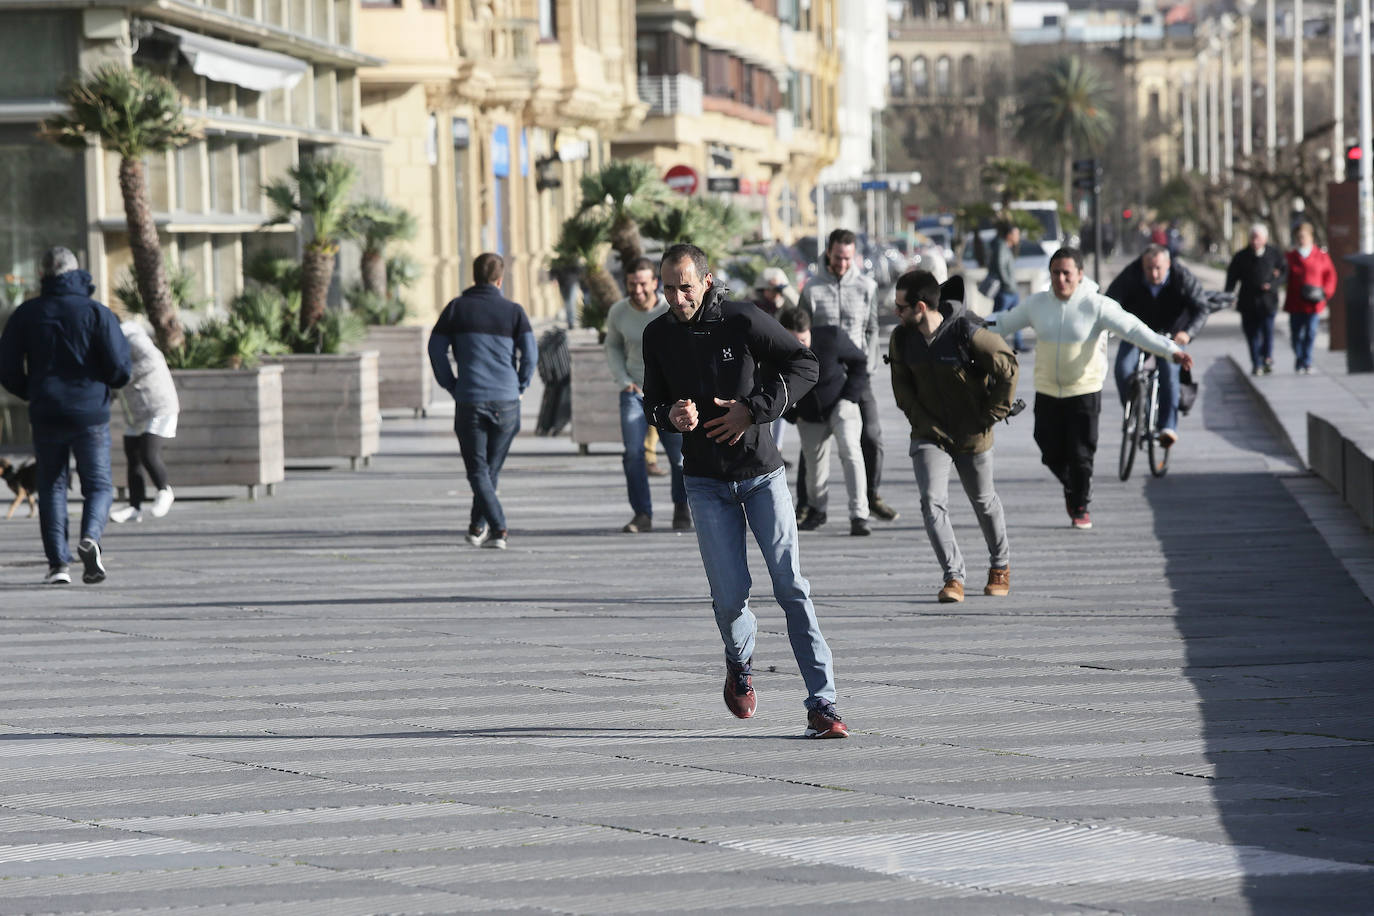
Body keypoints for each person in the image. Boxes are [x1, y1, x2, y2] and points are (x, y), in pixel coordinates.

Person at [642, 243, 847, 739]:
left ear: (706, 281)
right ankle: (739, 663)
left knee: (791, 586)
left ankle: (823, 703)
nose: (676, 298)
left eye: (685, 287)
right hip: (704, 483)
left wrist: (752, 410)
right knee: (730, 597)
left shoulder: (742, 319)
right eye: (668, 289)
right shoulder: (657, 334)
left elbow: (804, 364)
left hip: (761, 475)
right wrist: (670, 415)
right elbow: (652, 402)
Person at [987, 247, 1193, 530]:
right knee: (1048, 449)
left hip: (1084, 390)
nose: (1061, 279)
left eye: (1067, 273)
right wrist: (963, 323)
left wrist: (1171, 351)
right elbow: (1003, 322)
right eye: (1055, 273)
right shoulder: (1037, 304)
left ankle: (1080, 505)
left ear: (1080, 274)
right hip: (1047, 389)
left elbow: (1135, 330)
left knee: (1081, 454)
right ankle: (1074, 485)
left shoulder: (1096, 305)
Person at [0, 247, 131, 585]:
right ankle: (90, 538)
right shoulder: (96, 312)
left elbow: (7, 367)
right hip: (90, 412)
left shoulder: (26, 313)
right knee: (98, 485)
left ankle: (58, 564)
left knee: (51, 486)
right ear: (77, 272)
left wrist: (32, 391)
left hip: (47, 411)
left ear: (42, 275)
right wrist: (104, 386)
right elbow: (120, 367)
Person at [890, 272, 1018, 603]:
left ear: (920, 307)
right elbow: (902, 386)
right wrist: (918, 419)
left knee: (983, 501)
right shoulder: (902, 338)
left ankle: (1000, 566)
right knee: (931, 501)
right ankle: (953, 576)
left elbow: (1008, 366)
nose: (895, 312)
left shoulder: (966, 331)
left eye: (900, 306)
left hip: (972, 432)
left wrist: (991, 414)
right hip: (929, 433)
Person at [428, 252, 536, 550]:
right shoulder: (514, 311)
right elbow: (530, 354)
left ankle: (498, 528)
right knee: (489, 471)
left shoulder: (455, 309)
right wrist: (521, 385)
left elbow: (435, 350)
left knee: (478, 471)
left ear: (473, 277)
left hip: (471, 400)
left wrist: (452, 385)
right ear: (500, 280)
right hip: (507, 402)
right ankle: (477, 527)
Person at [798, 228, 898, 521]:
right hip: (822, 377)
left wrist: (868, 367)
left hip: (856, 373)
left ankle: (871, 496)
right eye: (838, 257)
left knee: (872, 435)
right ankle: (807, 504)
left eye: (848, 258)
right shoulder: (812, 289)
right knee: (812, 442)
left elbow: (872, 328)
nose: (843, 263)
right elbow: (801, 329)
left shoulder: (867, 286)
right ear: (829, 253)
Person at [604, 257, 688, 533]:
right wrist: (623, 380)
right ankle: (642, 513)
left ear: (655, 283)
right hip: (635, 392)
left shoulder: (671, 309)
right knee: (633, 453)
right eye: (632, 284)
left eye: (642, 284)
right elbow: (612, 346)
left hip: (669, 394)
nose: (637, 290)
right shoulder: (619, 312)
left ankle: (681, 507)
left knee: (680, 456)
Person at [776, 306, 870, 537]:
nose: (800, 345)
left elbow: (860, 362)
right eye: (793, 340)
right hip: (808, 415)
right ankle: (817, 510)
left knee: (850, 450)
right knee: (814, 466)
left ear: (810, 331)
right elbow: (768, 385)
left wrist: (850, 397)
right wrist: (792, 415)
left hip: (840, 404)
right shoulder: (776, 350)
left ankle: (859, 514)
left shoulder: (831, 336)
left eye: (803, 339)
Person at [1105, 244, 1209, 448]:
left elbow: (1201, 307)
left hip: (1171, 335)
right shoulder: (1131, 274)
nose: (1153, 274)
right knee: (1122, 370)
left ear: (1168, 264)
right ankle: (1136, 415)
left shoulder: (1181, 276)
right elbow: (1111, 303)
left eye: (1158, 268)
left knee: (1169, 373)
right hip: (1136, 334)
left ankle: (1167, 427)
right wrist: (1112, 325)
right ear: (1142, 265)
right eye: (1149, 268)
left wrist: (1187, 333)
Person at [109, 320, 179, 524]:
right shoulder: (108, 343)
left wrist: (124, 377)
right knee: (133, 457)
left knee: (148, 453)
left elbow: (152, 359)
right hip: (135, 412)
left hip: (157, 405)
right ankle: (134, 507)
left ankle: (164, 490)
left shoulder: (132, 337)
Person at [1225, 224, 1288, 376]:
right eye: (1252, 238)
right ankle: (1256, 363)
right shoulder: (1241, 256)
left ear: (1265, 239)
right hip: (1248, 302)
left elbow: (1285, 273)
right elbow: (1232, 278)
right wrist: (1228, 296)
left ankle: (1267, 357)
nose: (1255, 241)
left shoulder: (1274, 254)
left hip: (1268, 302)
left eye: (1258, 238)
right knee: (1252, 334)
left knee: (1268, 332)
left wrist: (1272, 285)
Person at [1283, 221, 1338, 375]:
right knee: (1296, 335)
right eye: (1299, 237)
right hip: (1295, 303)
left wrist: (1325, 292)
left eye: (1304, 236)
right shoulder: (1290, 257)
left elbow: (1331, 276)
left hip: (1313, 303)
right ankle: (1300, 358)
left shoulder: (1321, 256)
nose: (1301, 240)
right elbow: (1282, 275)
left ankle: (1306, 361)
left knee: (1311, 333)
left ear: (1311, 237)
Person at [987, 222, 1024, 352]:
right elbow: (1000, 267)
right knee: (996, 318)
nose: (1018, 237)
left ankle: (1018, 343)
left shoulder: (1006, 247)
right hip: (1005, 291)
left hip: (1011, 290)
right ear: (1009, 235)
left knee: (1016, 317)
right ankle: (990, 342)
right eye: (1016, 234)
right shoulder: (1001, 247)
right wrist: (1007, 283)